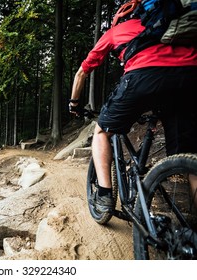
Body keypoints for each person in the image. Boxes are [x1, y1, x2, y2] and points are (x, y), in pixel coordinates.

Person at [69, 0, 197, 213]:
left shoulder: (115, 32)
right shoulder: (166, 25)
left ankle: (104, 195)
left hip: (143, 77)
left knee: (101, 131)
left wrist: (74, 103)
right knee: (190, 157)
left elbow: (82, 72)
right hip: (189, 78)